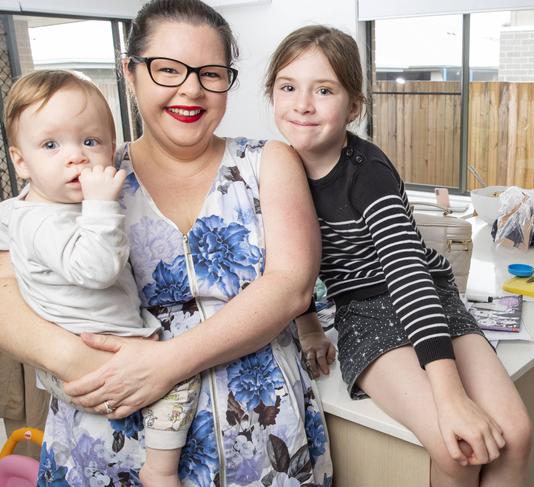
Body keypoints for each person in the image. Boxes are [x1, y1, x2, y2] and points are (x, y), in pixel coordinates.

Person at [0, 1, 332, 485]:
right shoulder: (84, 171)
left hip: (261, 442)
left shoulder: (267, 161)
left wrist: (164, 365)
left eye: (211, 73)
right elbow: (6, 290)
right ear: (129, 73)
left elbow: (291, 286)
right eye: (168, 69)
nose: (191, 88)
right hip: (109, 433)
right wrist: (83, 364)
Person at [265, 25, 532, 487]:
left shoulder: (368, 174)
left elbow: (409, 274)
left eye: (324, 89)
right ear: (272, 93)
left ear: (353, 106)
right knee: (460, 451)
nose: (302, 104)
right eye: (288, 87)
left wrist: (450, 395)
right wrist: (309, 327)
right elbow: (291, 260)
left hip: (426, 295)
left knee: (517, 433)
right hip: (363, 313)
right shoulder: (277, 169)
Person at [1, 69, 203, 486]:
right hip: (93, 354)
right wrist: (100, 206)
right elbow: (95, 270)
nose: (75, 156)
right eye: (51, 145)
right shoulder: (46, 221)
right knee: (180, 380)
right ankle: (160, 471)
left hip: (82, 354)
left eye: (90, 142)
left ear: (114, 148)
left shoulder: (19, 210)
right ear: (20, 162)